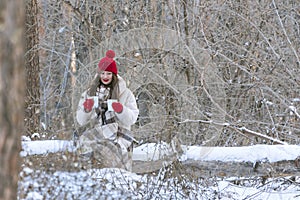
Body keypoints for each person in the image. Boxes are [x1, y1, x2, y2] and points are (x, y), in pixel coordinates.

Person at [75, 50, 139, 171]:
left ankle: (119, 178)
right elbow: (81, 120)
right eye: (103, 73)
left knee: (115, 149)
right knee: (85, 144)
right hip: (95, 133)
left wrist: (121, 110)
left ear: (114, 75)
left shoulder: (125, 93)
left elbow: (132, 119)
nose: (105, 77)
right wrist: (86, 109)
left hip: (120, 134)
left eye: (108, 74)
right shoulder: (89, 93)